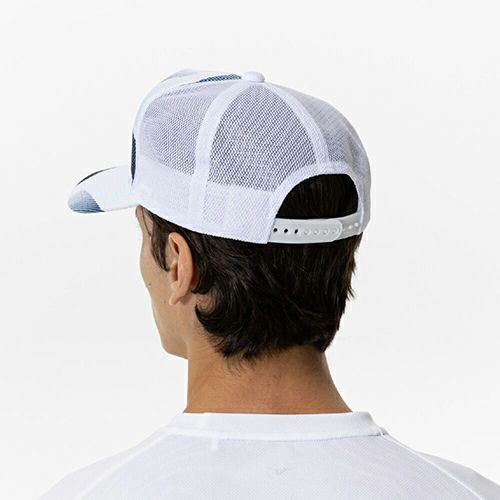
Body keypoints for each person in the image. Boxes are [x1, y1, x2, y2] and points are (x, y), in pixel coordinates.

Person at [39, 68, 500, 499]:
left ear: (179, 264)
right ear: (344, 250)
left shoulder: (91, 494)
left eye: (143, 235)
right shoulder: (469, 493)